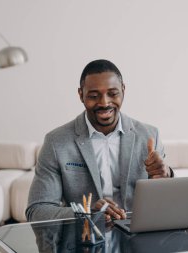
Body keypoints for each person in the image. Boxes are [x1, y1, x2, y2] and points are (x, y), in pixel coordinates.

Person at [26, 59, 173, 222]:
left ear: (123, 90)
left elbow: (168, 203)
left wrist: (166, 174)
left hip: (139, 237)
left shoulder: (150, 135)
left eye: (113, 93)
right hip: (85, 239)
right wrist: (86, 213)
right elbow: (37, 210)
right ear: (81, 94)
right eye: (94, 96)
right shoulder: (56, 142)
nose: (104, 103)